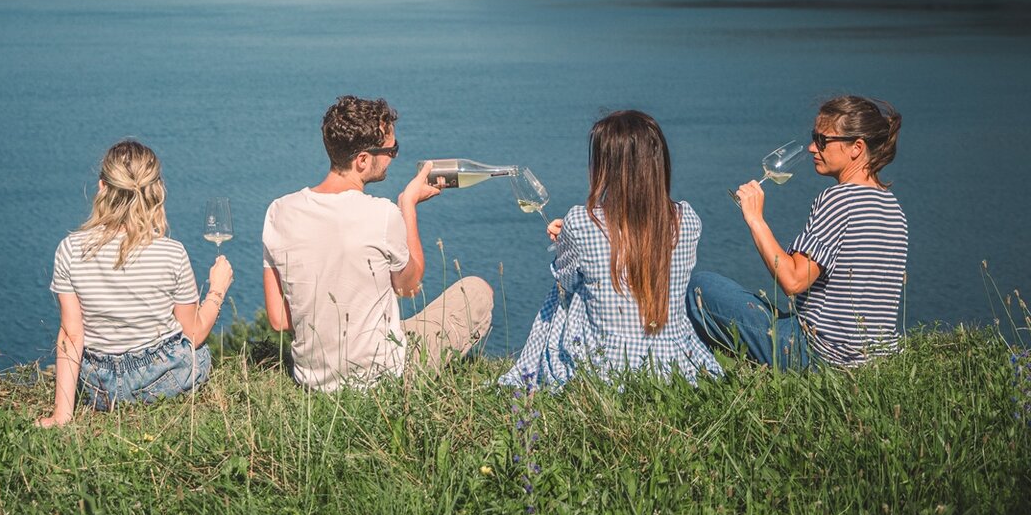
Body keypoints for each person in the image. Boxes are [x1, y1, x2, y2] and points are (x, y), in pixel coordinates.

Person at [260, 95, 493, 391]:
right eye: (391, 150)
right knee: (477, 291)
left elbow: (280, 320)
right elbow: (408, 287)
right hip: (380, 379)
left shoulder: (279, 211)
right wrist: (407, 205)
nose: (393, 157)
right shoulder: (382, 214)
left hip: (311, 380)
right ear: (362, 160)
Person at [499, 111, 721, 389]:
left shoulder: (581, 221)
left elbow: (567, 282)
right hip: (671, 364)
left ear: (607, 168)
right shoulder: (687, 219)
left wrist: (565, 243)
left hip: (604, 367)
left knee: (564, 293)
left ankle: (531, 368)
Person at [687, 96, 907, 369]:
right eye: (814, 138)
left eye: (822, 140)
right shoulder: (892, 207)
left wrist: (756, 220)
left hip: (818, 355)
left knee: (700, 287)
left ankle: (705, 372)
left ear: (856, 147)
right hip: (874, 359)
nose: (812, 147)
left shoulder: (838, 199)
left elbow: (793, 281)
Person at [38, 140, 232, 427]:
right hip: (163, 379)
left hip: (98, 387)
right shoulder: (172, 253)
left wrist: (61, 415)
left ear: (102, 187)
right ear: (157, 190)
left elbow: (71, 335)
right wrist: (217, 290)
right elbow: (194, 334)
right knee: (199, 353)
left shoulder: (70, 249)